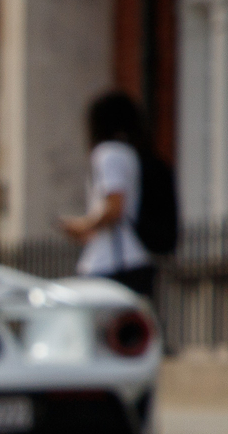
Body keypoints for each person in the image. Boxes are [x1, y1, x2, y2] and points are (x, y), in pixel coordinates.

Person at [59, 90, 156, 299]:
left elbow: (114, 207)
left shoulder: (107, 154)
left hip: (110, 264)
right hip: (134, 258)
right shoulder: (129, 153)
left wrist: (83, 225)